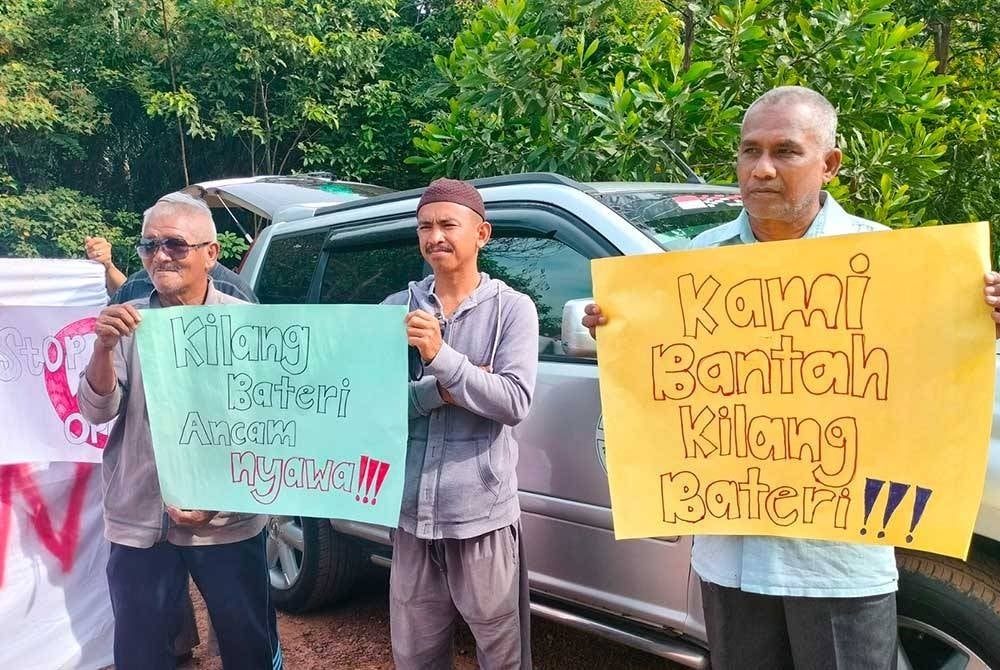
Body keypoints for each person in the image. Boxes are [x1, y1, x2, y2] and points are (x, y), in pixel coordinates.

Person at [584, 85, 955, 669]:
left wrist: (977, 319)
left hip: (839, 565)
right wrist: (628, 336)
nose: (760, 169)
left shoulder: (886, 259)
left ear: (829, 165)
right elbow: (670, 397)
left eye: (785, 151)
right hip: (729, 560)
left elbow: (930, 388)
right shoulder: (693, 262)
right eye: (748, 150)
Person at [78, 193, 281, 670]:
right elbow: (95, 410)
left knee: (247, 643)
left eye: (175, 244)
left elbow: (269, 427)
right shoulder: (128, 317)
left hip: (227, 524)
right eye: (148, 245)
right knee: (140, 651)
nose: (160, 255)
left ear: (211, 253)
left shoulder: (247, 323)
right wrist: (104, 349)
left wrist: (222, 497)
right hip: (140, 518)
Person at [382, 178, 538, 669]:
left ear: (482, 234)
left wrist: (440, 357)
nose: (435, 237)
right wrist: (445, 390)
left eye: (448, 224)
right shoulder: (394, 311)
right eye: (425, 227)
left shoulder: (513, 309)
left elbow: (513, 401)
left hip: (483, 515)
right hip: (410, 515)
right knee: (415, 655)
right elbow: (375, 406)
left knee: (502, 653)